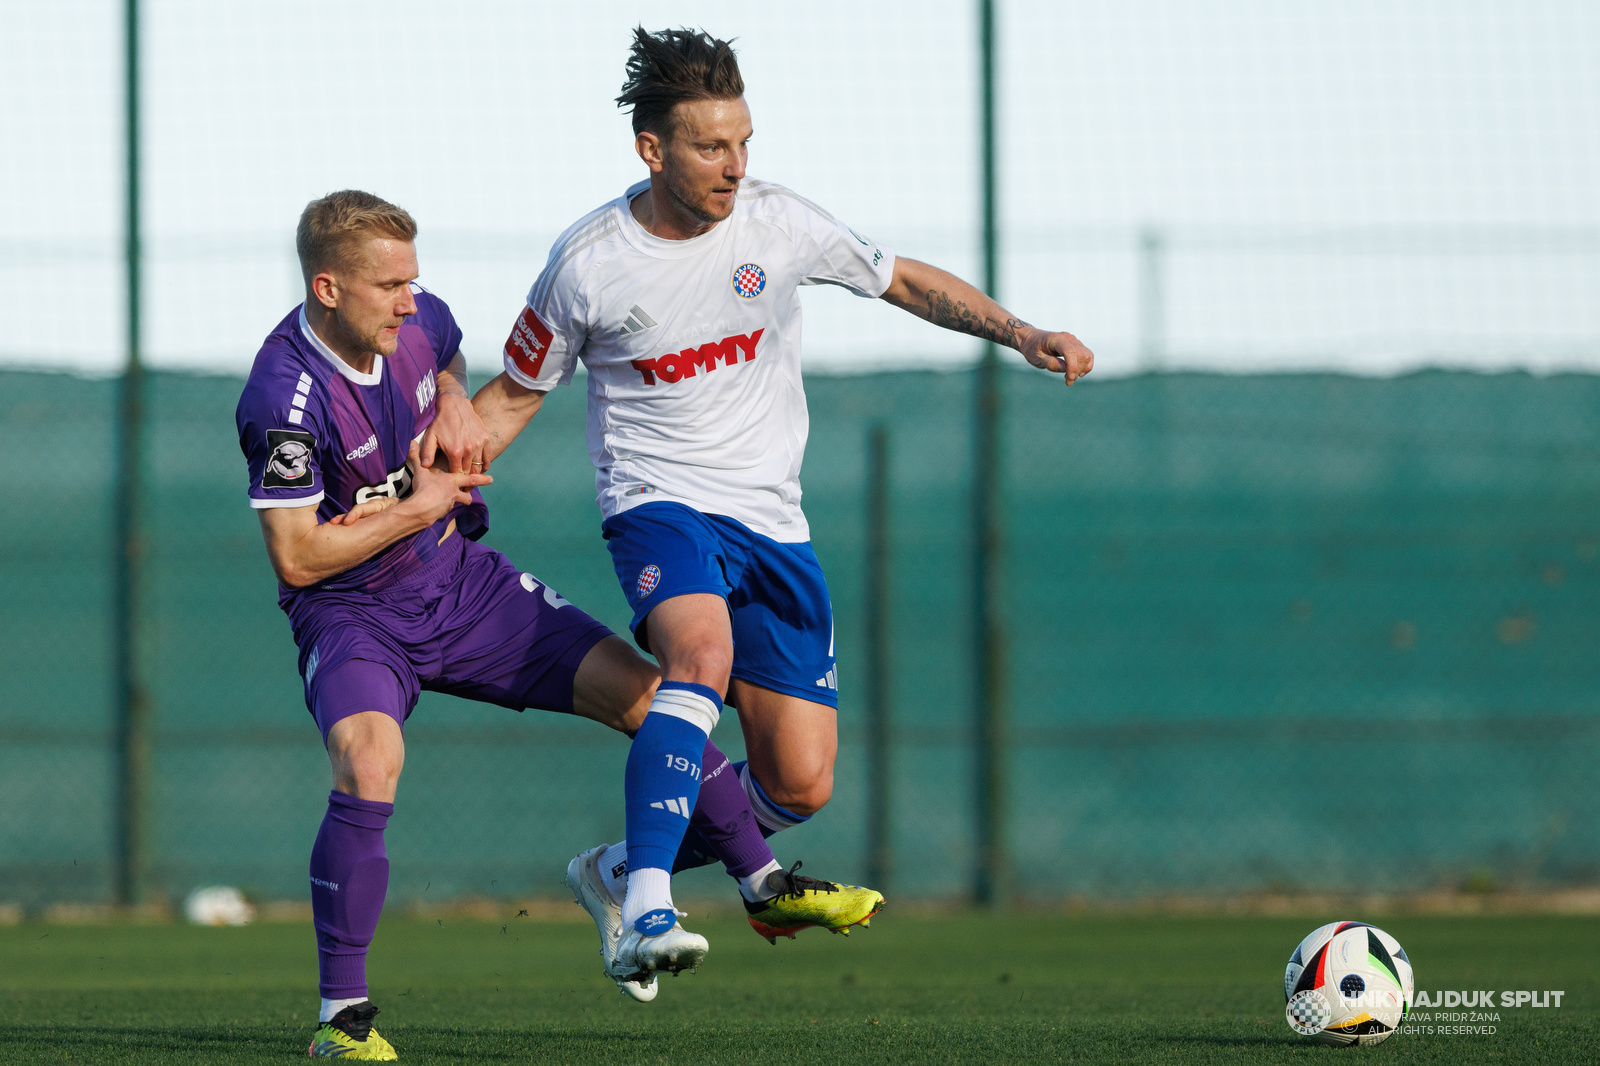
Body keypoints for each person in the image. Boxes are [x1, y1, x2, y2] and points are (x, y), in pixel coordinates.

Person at [470, 26, 1094, 980]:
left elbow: (904, 281)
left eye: (744, 142)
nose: (735, 165)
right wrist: (439, 479)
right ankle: (647, 910)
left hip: (774, 524)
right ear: (652, 149)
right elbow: (511, 398)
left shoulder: (781, 222)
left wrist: (1020, 331)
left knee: (799, 782)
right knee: (700, 657)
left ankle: (611, 870)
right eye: (711, 147)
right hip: (657, 504)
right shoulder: (587, 264)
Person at [236, 190, 857, 1058]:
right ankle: (340, 1020)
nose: (411, 299)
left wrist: (453, 394)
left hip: (461, 587)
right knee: (370, 761)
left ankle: (759, 880)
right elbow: (298, 559)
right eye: (390, 286)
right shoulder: (282, 398)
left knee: (653, 694)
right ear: (328, 288)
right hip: (353, 616)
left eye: (414, 279)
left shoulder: (418, 320)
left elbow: (445, 347)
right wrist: (420, 510)